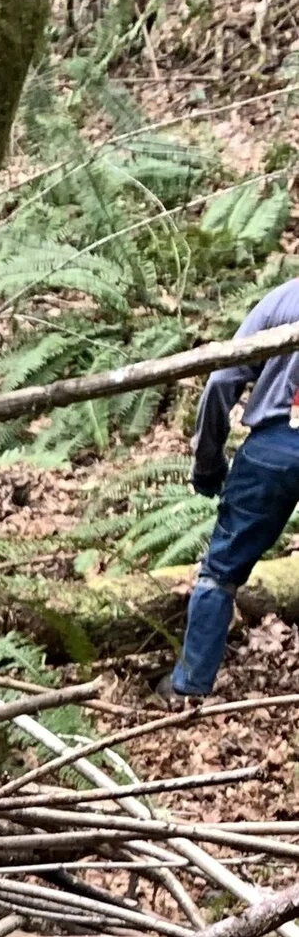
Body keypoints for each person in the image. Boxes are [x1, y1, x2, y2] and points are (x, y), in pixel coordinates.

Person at [172, 273, 299, 694]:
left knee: (221, 572)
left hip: (272, 450)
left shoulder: (284, 299)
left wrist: (208, 461)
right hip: (275, 445)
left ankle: (190, 686)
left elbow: (222, 378)